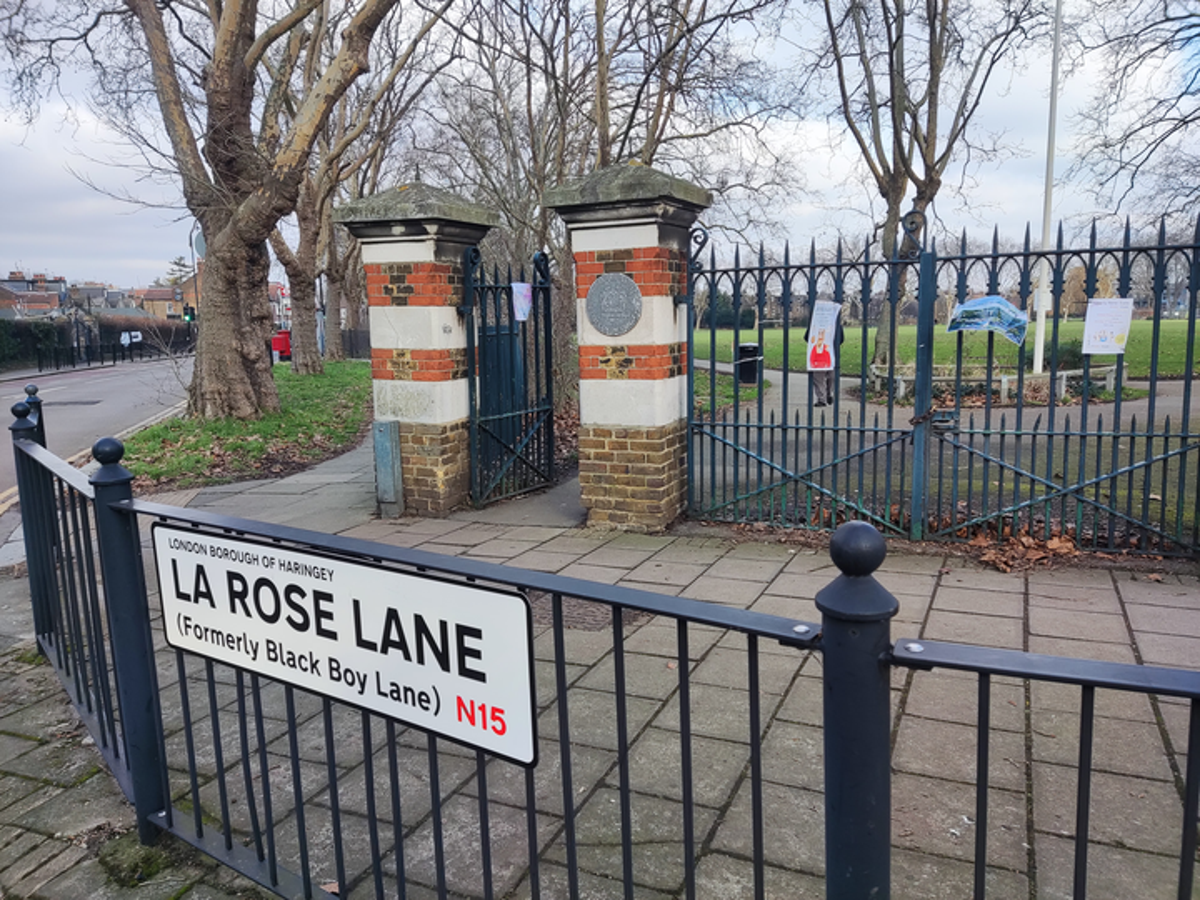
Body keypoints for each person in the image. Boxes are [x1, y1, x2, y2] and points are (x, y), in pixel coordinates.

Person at [805, 311, 844, 407]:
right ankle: (829, 393)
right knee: (831, 376)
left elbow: (807, 337)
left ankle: (822, 398)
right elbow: (841, 338)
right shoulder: (836, 323)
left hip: (819, 354)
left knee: (819, 378)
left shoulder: (814, 324)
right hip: (831, 353)